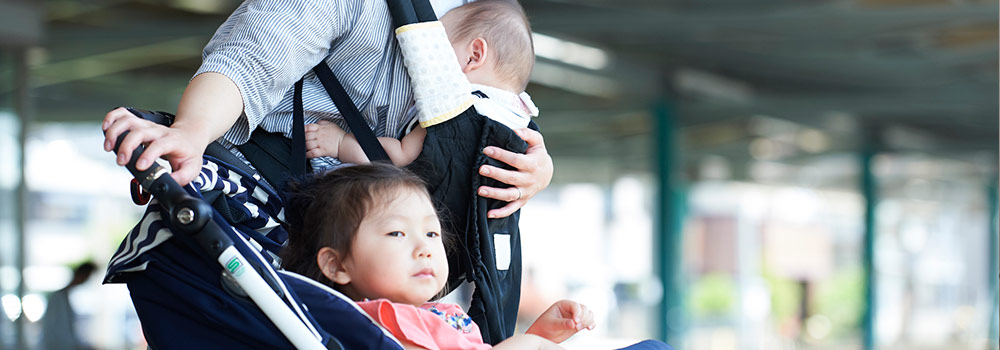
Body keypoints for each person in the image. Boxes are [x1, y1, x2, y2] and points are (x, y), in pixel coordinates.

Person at [100, 0, 551, 219]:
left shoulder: (488, 16)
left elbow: (504, 123)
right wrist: (192, 130)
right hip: (281, 203)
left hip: (387, 246)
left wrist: (536, 169)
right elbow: (254, 54)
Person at [280, 163, 593, 350]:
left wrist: (539, 335)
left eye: (431, 233)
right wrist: (532, 343)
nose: (425, 247)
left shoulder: (433, 314)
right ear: (336, 265)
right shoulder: (376, 325)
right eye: (397, 234)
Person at [303, 0, 537, 169]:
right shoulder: (518, 115)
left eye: (439, 45)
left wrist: (340, 143)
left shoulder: (458, 109)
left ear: (474, 55)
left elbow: (396, 157)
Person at [39, 262, 97, 350]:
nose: (86, 280)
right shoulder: (57, 298)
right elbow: (55, 332)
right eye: (87, 277)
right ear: (81, 275)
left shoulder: (64, 297)